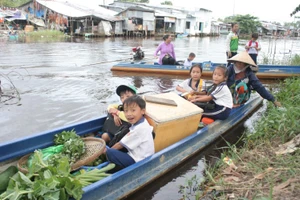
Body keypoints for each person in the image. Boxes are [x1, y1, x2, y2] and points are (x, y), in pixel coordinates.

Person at [106, 95, 155, 169]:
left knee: (110, 152)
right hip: (142, 155)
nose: (128, 114)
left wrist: (105, 152)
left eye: (133, 110)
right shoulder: (143, 121)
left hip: (139, 161)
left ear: (143, 111)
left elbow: (119, 145)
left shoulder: (138, 129)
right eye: (126, 111)